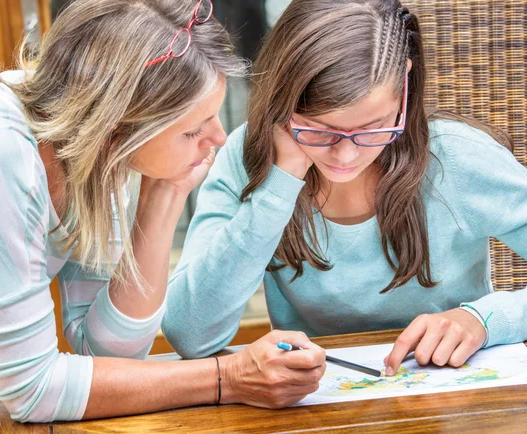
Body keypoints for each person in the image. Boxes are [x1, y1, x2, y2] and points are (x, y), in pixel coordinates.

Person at [0, 0, 326, 423]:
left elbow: (104, 353)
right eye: (194, 128)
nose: (219, 138)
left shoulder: (91, 151)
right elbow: (35, 391)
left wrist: (165, 194)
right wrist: (227, 377)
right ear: (116, 127)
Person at [162, 0, 527, 377]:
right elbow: (190, 334)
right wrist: (280, 183)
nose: (345, 155)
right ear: (282, 101)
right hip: (313, 403)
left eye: (373, 127)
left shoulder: (457, 157)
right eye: (320, 128)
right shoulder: (247, 158)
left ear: (404, 86)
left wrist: (486, 320)